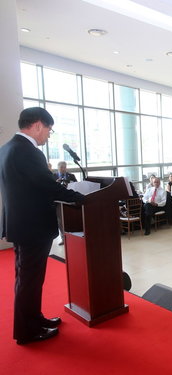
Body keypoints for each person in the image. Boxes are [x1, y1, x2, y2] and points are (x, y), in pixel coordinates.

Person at [0, 107, 85, 345]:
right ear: (38, 125)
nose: (49, 134)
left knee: (27, 278)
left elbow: (28, 187)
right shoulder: (29, 152)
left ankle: (34, 319)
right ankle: (28, 332)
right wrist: (80, 198)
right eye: (49, 129)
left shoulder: (6, 149)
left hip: (20, 225)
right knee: (30, 280)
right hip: (33, 226)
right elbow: (47, 186)